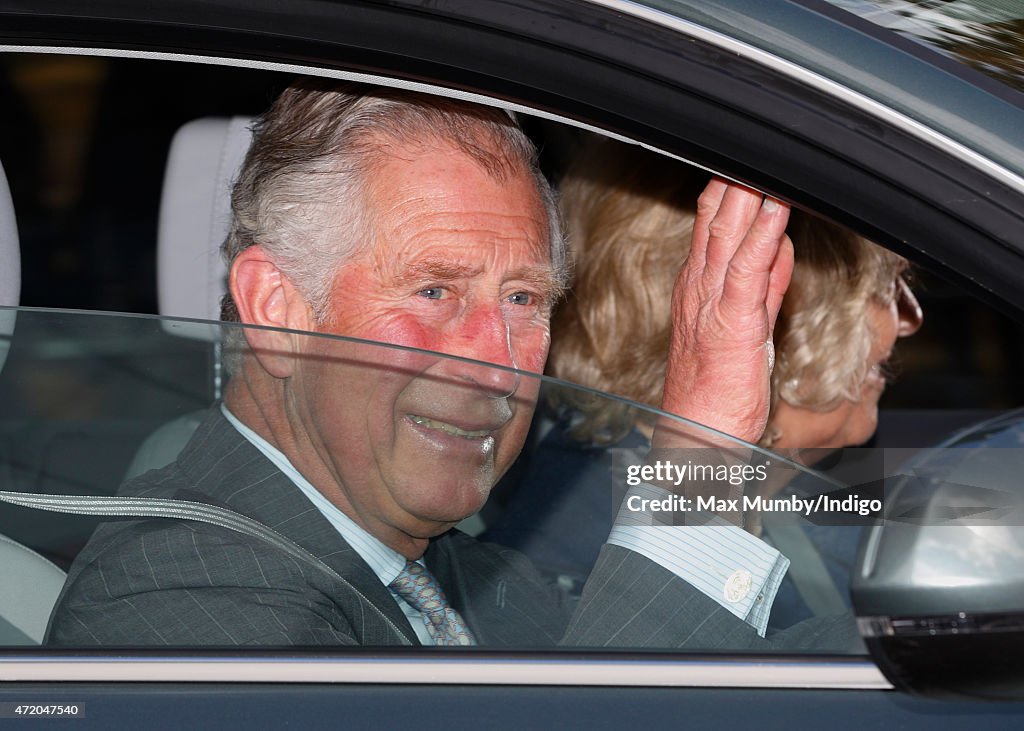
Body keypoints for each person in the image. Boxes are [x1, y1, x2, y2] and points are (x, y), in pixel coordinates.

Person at [48, 79, 850, 649]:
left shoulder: (456, 567)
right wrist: (700, 450)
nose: (497, 367)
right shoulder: (181, 595)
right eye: (434, 290)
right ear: (278, 309)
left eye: (525, 301)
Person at [483, 138, 923, 625]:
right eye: (883, 285)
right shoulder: (572, 566)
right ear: (770, 313)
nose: (911, 318)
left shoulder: (791, 495)